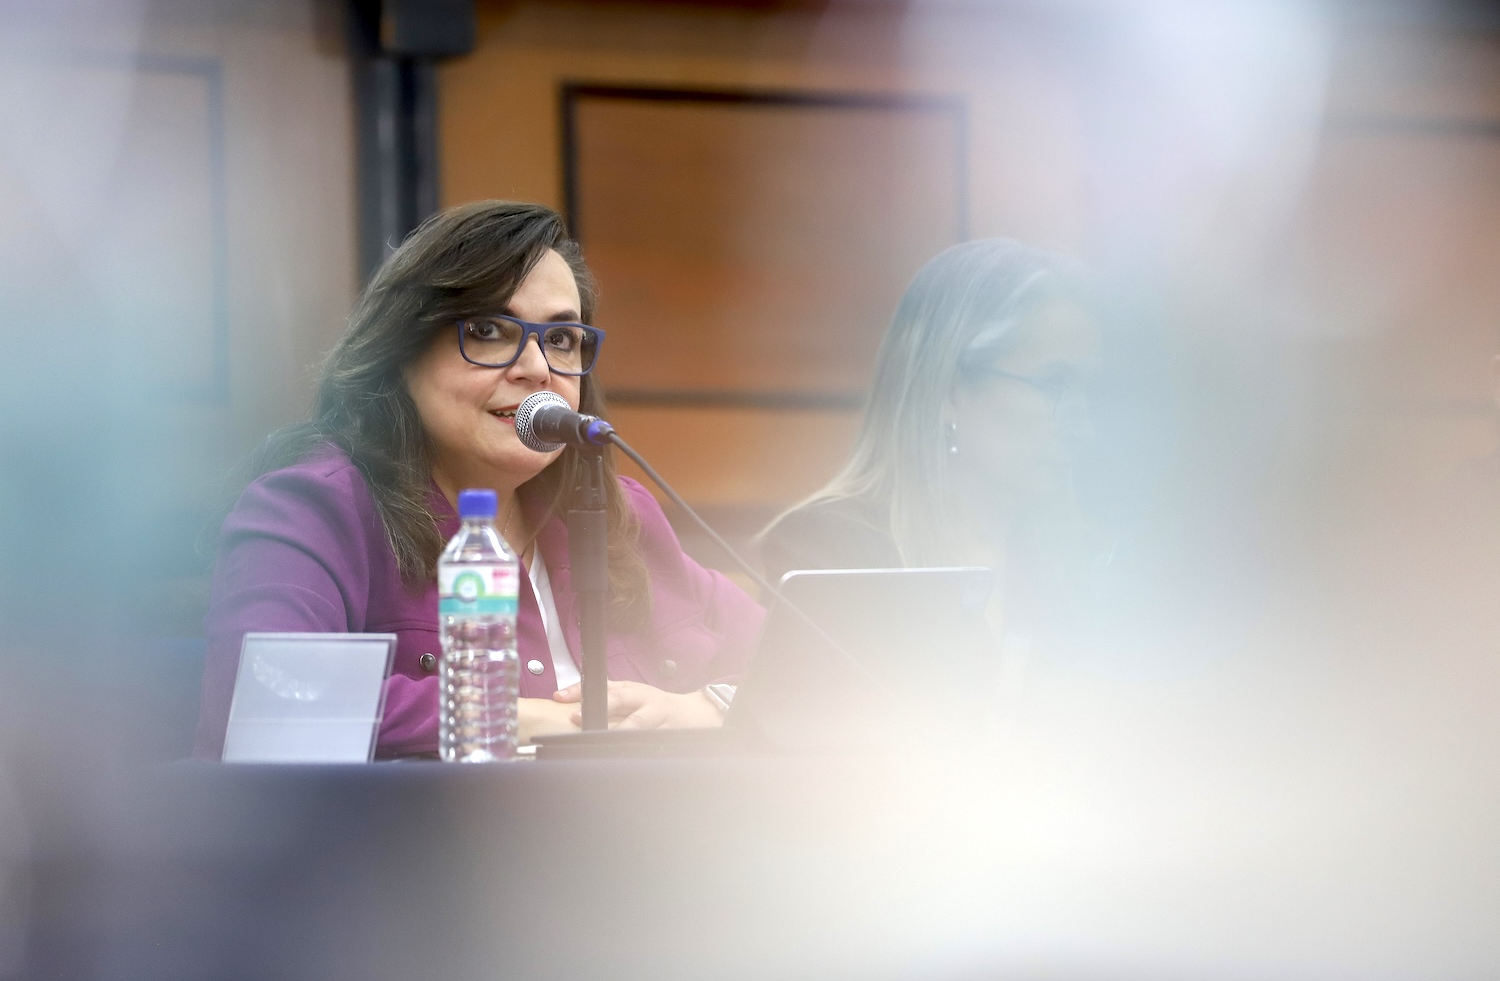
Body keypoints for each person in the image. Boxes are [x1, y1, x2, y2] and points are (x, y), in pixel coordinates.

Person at [194, 201, 763, 759]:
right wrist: (525, 720)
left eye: (561, 340)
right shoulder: (315, 508)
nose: (537, 369)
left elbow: (806, 660)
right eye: (490, 330)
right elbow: (267, 699)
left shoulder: (619, 516)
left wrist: (707, 708)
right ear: (402, 353)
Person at [758, 239, 1100, 640]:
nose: (1085, 429)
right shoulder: (830, 552)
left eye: (1090, 394)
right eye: (1054, 384)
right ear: (948, 391)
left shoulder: (1079, 565)